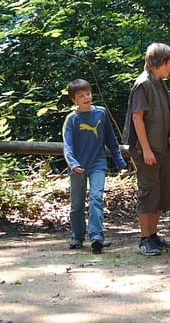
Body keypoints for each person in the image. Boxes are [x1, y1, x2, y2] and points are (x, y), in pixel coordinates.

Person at [123, 43, 170, 257]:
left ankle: (154, 235)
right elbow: (137, 117)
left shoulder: (160, 83)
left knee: (161, 192)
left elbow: (166, 118)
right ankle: (144, 239)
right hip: (146, 149)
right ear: (160, 62)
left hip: (162, 148)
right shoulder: (143, 84)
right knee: (148, 193)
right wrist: (146, 150)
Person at [63, 79, 127, 253]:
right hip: (77, 166)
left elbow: (110, 139)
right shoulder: (72, 119)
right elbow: (67, 146)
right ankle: (77, 236)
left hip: (98, 163)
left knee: (96, 198)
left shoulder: (101, 113)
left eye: (88, 94)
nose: (86, 98)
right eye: (81, 96)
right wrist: (73, 164)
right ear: (74, 99)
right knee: (76, 204)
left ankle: (97, 236)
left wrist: (119, 160)